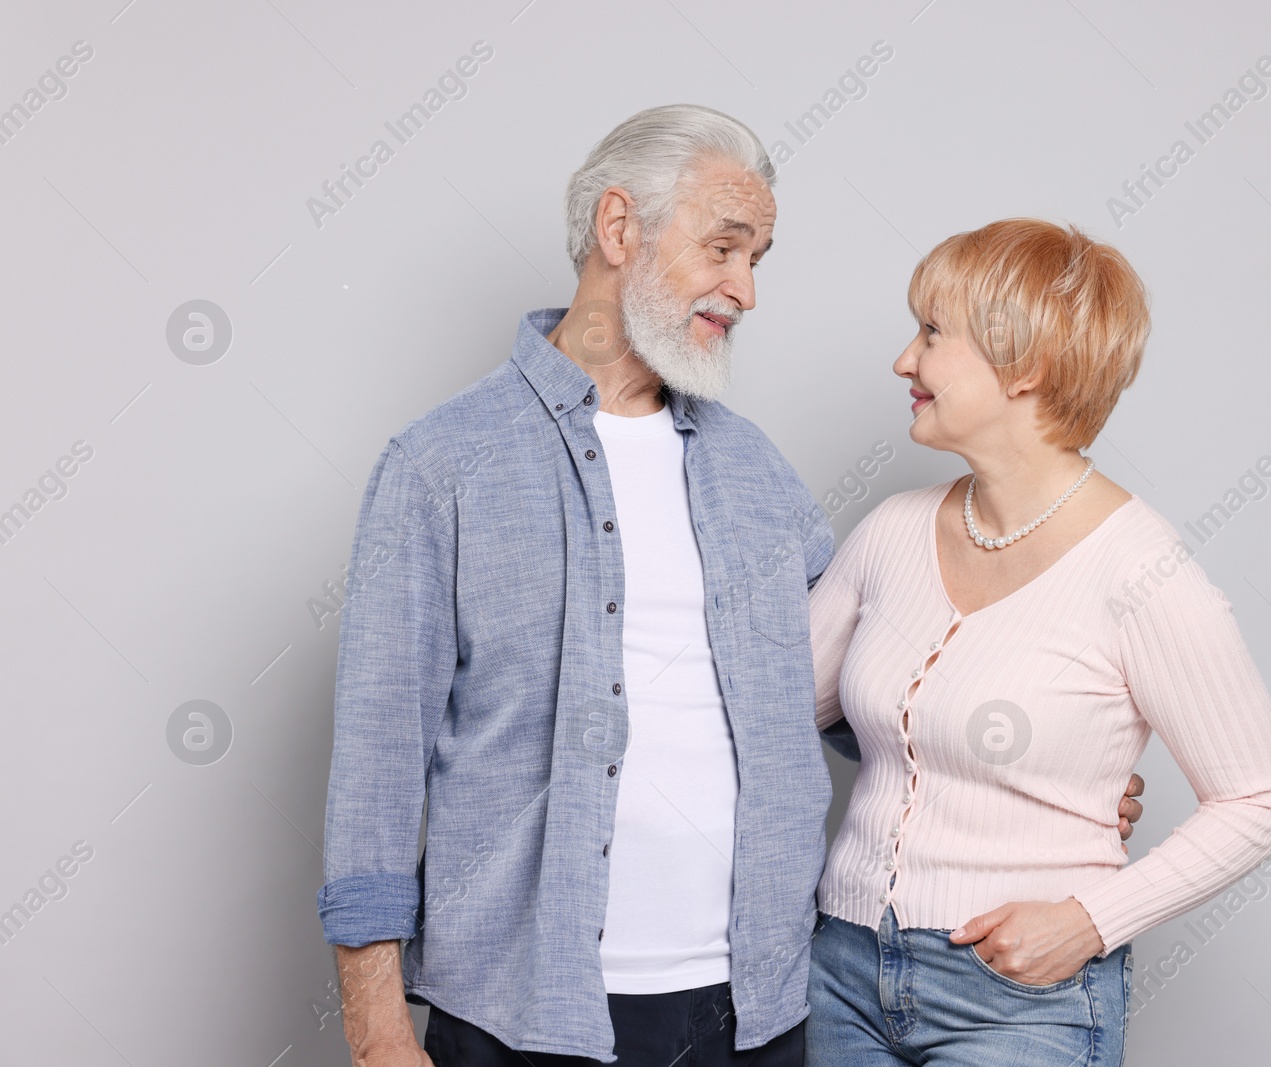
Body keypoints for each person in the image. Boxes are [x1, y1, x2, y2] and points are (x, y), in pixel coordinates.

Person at [318, 104, 1149, 1066]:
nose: (745, 289)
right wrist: (377, 1026)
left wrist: (1039, 769)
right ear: (618, 228)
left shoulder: (755, 473)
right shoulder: (441, 466)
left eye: (758, 258)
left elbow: (861, 695)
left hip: (757, 1008)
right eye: (724, 248)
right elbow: (376, 762)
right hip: (518, 1010)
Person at [804, 218, 1271, 1066]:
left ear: (1024, 366)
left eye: (930, 333)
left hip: (1019, 999)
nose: (903, 360)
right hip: (840, 972)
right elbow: (763, 711)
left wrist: (1089, 922)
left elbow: (1260, 799)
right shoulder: (890, 530)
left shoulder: (1141, 571)